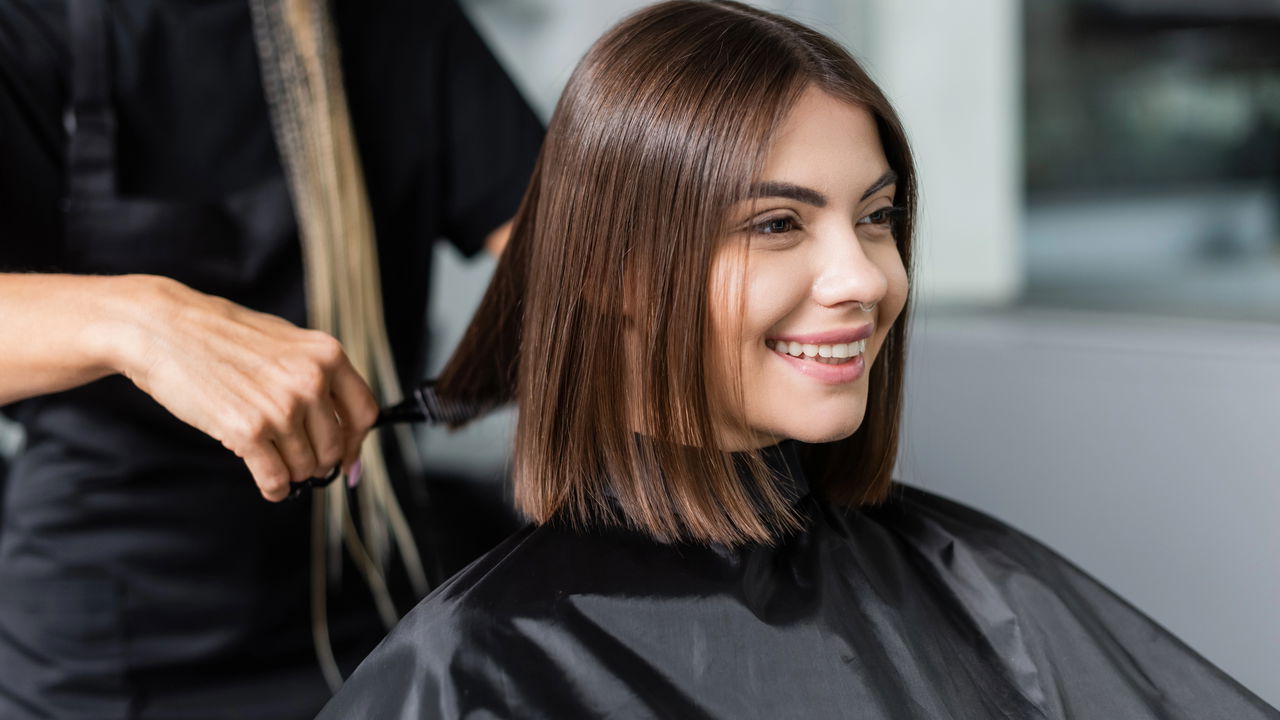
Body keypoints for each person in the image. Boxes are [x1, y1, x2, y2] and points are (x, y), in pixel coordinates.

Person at [315, 2, 1279, 718]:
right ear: (614, 273)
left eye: (876, 217)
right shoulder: (470, 671)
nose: (862, 277)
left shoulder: (984, 593)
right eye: (777, 224)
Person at [0, 0, 541, 717]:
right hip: (107, 647)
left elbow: (575, 259)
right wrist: (139, 320)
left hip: (376, 612)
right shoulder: (26, 27)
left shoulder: (396, 21)